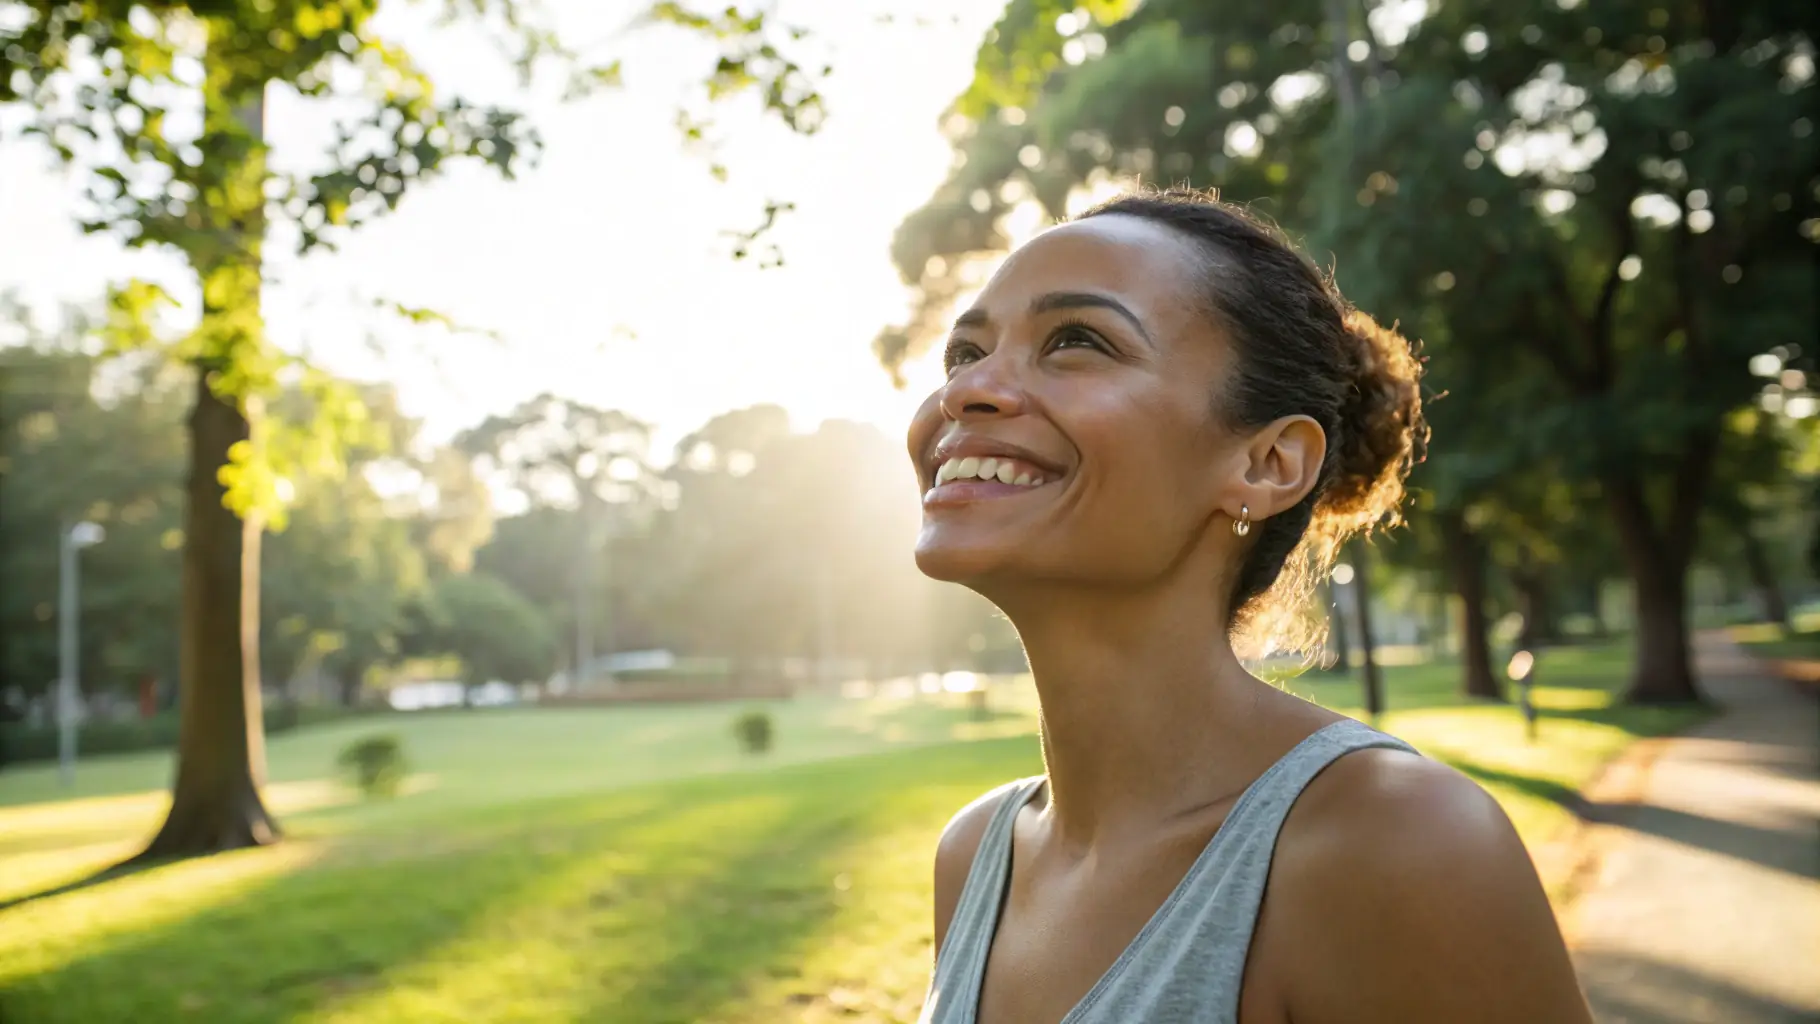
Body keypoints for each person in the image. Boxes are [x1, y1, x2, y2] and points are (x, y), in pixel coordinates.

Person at [910, 188, 1591, 1024]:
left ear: (1268, 463)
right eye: (963, 353)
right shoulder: (975, 854)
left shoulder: (1396, 844)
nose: (966, 391)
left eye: (1077, 342)